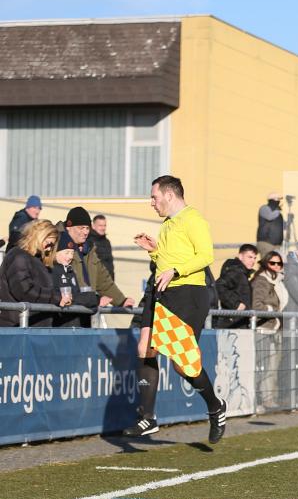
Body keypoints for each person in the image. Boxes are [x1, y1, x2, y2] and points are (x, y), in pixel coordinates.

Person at [126, 175, 227, 443]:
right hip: (160, 292)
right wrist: (154, 252)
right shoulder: (167, 224)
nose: (151, 203)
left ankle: (215, 406)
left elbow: (206, 255)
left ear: (169, 195)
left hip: (188, 294)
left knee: (183, 366)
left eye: (154, 197)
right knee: (144, 348)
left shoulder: (193, 219)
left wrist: (176, 270)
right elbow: (168, 261)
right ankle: (148, 417)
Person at [60, 207, 135, 317]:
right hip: (64, 313)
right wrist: (94, 300)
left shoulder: (89, 250)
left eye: (87, 228)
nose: (85, 232)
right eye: (81, 228)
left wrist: (121, 301)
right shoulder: (58, 247)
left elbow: (103, 280)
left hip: (85, 312)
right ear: (69, 227)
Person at [0, 220, 70, 327]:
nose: (49, 248)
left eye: (52, 245)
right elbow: (24, 291)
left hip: (34, 326)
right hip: (18, 326)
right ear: (39, 236)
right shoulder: (18, 256)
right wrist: (56, 297)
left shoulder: (37, 260)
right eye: (48, 243)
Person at [50, 237, 99, 327]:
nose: (70, 257)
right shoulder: (52, 271)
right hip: (60, 326)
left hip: (74, 324)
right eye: (67, 253)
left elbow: (75, 295)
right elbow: (57, 297)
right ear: (55, 253)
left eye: (72, 253)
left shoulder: (70, 271)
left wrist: (89, 298)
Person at [215, 244, 258, 328]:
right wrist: (235, 304)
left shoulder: (243, 273)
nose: (253, 261)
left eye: (254, 258)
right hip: (232, 323)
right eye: (249, 257)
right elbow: (218, 285)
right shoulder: (236, 272)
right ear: (240, 256)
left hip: (239, 322)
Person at [251, 251, 288, 332]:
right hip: (263, 327)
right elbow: (256, 305)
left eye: (279, 263)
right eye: (272, 263)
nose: (276, 265)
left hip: (273, 326)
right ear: (266, 264)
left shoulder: (278, 281)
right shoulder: (262, 281)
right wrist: (271, 310)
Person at [256, 192, 285, 259]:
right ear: (272, 199)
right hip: (266, 243)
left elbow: (281, 226)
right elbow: (269, 217)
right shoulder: (264, 208)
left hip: (277, 245)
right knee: (266, 263)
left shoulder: (278, 213)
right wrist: (278, 209)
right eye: (278, 199)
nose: (279, 201)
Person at [86, 214, 115, 279]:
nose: (103, 228)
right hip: (95, 280)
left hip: (108, 280)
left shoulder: (107, 242)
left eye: (104, 225)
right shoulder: (88, 241)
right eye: (100, 225)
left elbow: (110, 263)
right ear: (93, 226)